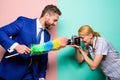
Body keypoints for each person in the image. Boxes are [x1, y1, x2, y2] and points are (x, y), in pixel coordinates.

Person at [0, 4, 61, 80]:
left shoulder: (47, 36)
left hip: (30, 75)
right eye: (54, 20)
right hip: (10, 73)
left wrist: (42, 75)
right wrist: (16, 46)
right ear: (47, 16)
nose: (55, 24)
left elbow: (43, 57)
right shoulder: (23, 22)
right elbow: (1, 32)